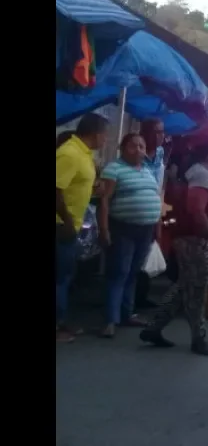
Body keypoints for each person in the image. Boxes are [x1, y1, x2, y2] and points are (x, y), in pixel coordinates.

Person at [140, 126, 208, 356]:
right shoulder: (200, 174)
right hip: (195, 239)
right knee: (197, 291)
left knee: (184, 286)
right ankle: (198, 339)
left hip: (192, 238)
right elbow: (197, 211)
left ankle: (154, 327)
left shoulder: (201, 171)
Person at [97, 133, 163, 337]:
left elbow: (155, 197)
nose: (138, 150)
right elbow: (104, 201)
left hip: (145, 229)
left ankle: (127, 314)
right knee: (119, 273)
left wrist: (157, 225)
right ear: (122, 149)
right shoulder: (114, 169)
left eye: (141, 147)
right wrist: (104, 229)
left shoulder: (148, 170)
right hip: (122, 228)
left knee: (133, 273)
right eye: (133, 146)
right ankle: (110, 320)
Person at [56, 113, 109, 342]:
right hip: (60, 225)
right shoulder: (69, 153)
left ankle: (61, 321)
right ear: (95, 133)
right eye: (105, 134)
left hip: (71, 225)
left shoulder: (83, 154)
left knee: (66, 276)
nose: (105, 139)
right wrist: (66, 221)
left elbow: (76, 183)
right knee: (59, 278)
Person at [135, 118, 167, 310]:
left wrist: (159, 218)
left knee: (148, 254)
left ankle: (142, 296)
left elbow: (161, 186)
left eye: (162, 132)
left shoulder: (161, 153)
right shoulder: (137, 155)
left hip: (154, 207)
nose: (160, 136)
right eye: (156, 132)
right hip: (137, 208)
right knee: (134, 260)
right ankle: (129, 301)